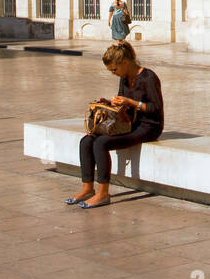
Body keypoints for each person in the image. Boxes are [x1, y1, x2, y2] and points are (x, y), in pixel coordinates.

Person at [67, 41, 164, 209]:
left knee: (101, 143)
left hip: (148, 126)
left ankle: (103, 194)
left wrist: (131, 102)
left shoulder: (149, 77)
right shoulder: (124, 79)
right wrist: (108, 103)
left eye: (114, 69)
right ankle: (87, 188)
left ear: (125, 63)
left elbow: (155, 108)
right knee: (86, 141)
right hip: (129, 123)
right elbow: (122, 105)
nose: (113, 73)